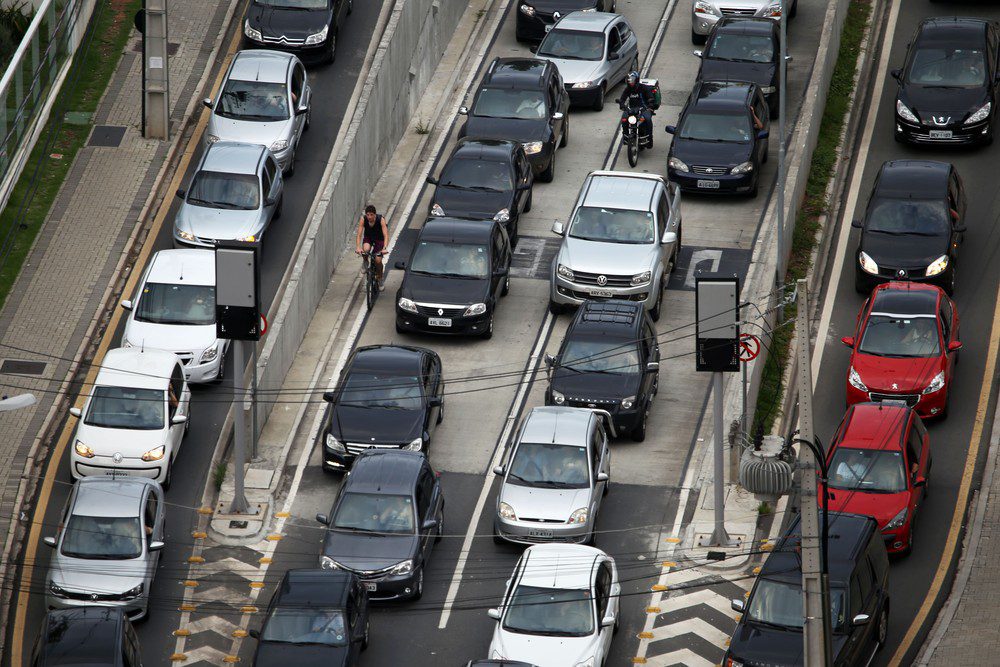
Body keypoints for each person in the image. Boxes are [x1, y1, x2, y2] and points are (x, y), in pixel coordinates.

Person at [355, 204, 389, 290]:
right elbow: (359, 234)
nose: (369, 217)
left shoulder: (381, 219)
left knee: (378, 260)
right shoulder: (363, 219)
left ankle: (380, 278)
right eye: (368, 215)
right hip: (369, 237)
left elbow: (385, 235)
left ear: (375, 214)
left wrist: (384, 248)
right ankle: (365, 261)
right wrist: (358, 247)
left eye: (371, 215)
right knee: (365, 249)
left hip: (379, 239)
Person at [618, 72, 655, 148]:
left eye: (632, 80)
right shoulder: (628, 89)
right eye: (629, 80)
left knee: (648, 120)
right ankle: (625, 137)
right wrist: (622, 104)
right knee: (624, 119)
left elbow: (650, 98)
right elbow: (622, 98)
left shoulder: (644, 88)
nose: (631, 82)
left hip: (644, 109)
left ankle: (649, 139)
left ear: (637, 80)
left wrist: (650, 104)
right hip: (632, 109)